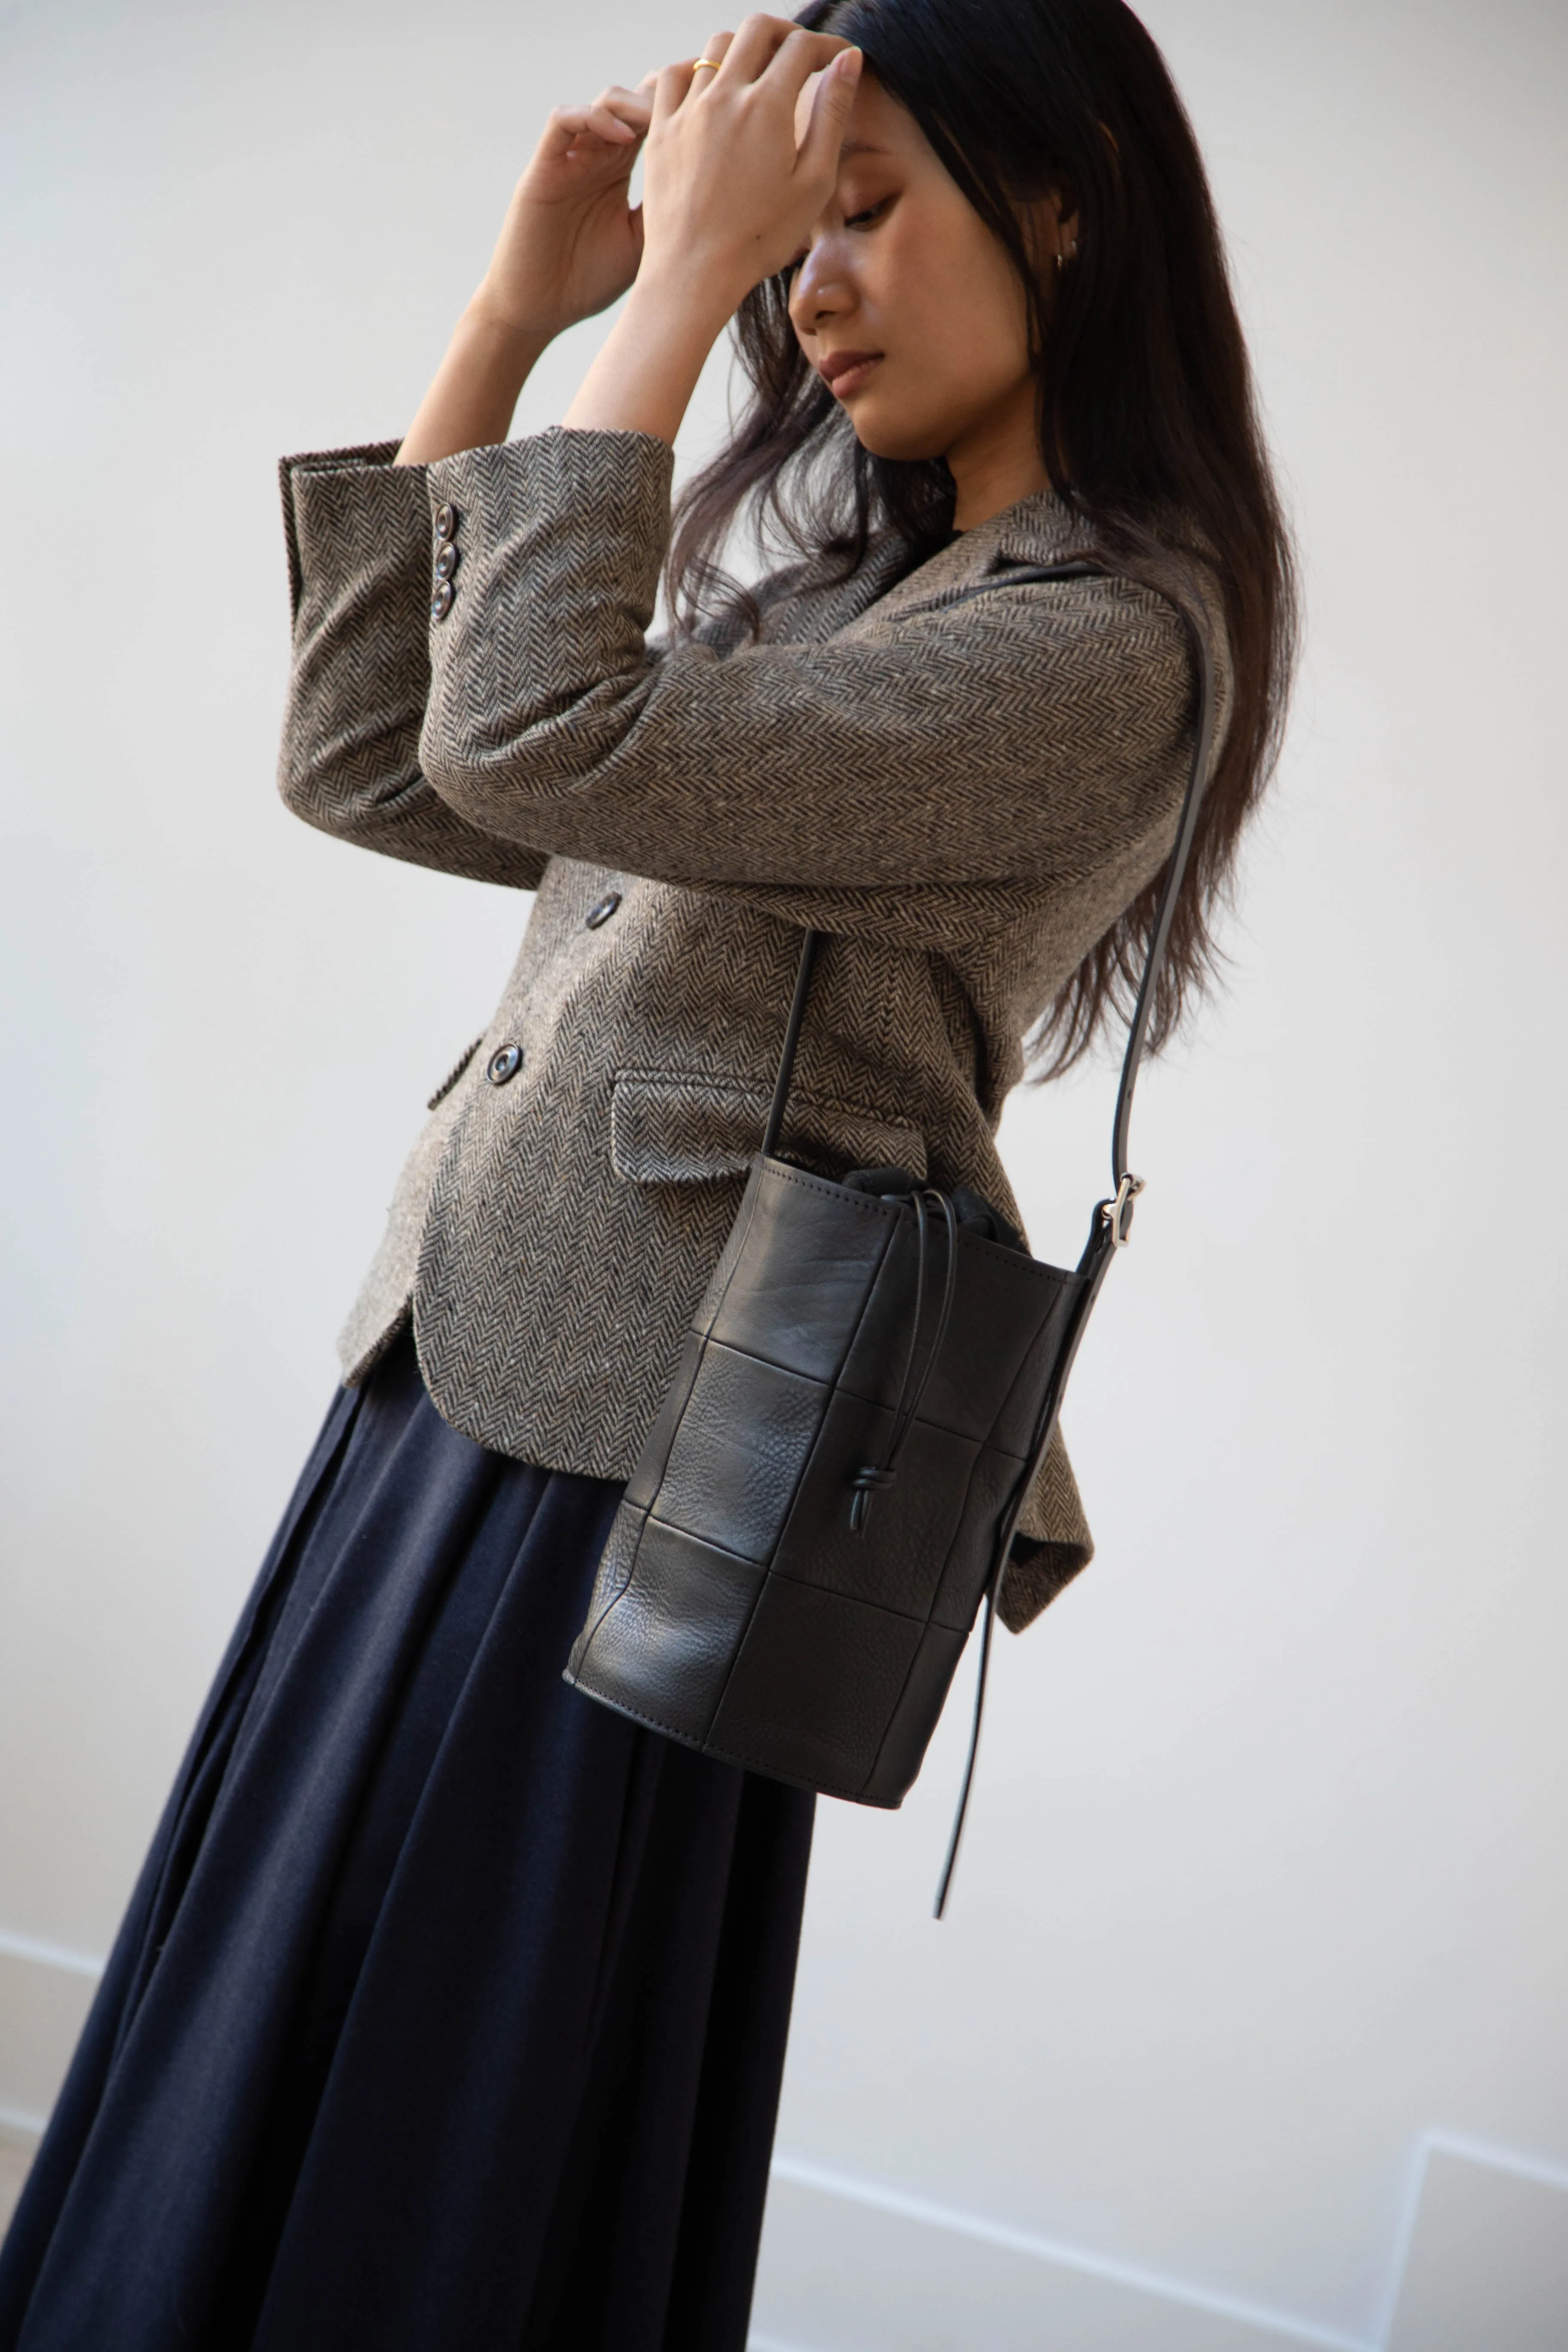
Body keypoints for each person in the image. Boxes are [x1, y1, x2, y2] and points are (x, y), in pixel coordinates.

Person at [0, 2, 1295, 2344]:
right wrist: (523, 312)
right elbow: (386, 763)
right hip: (471, 1418)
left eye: (860, 210)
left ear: (1075, 194)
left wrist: (674, 294)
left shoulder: (1104, 649)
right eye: (793, 233)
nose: (809, 285)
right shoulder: (860, 601)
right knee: (269, 2087)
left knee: (424, 2166)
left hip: (647, 1495)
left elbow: (534, 722)